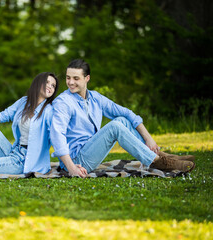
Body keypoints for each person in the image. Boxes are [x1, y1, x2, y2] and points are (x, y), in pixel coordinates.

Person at [50, 59, 195, 178]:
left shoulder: (94, 98)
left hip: (89, 149)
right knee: (115, 127)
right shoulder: (63, 102)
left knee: (122, 121)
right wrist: (71, 167)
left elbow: (126, 113)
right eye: (68, 78)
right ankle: (157, 162)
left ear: (87, 78)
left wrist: (148, 138)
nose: (70, 82)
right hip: (77, 160)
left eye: (76, 78)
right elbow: (57, 135)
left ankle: (161, 155)